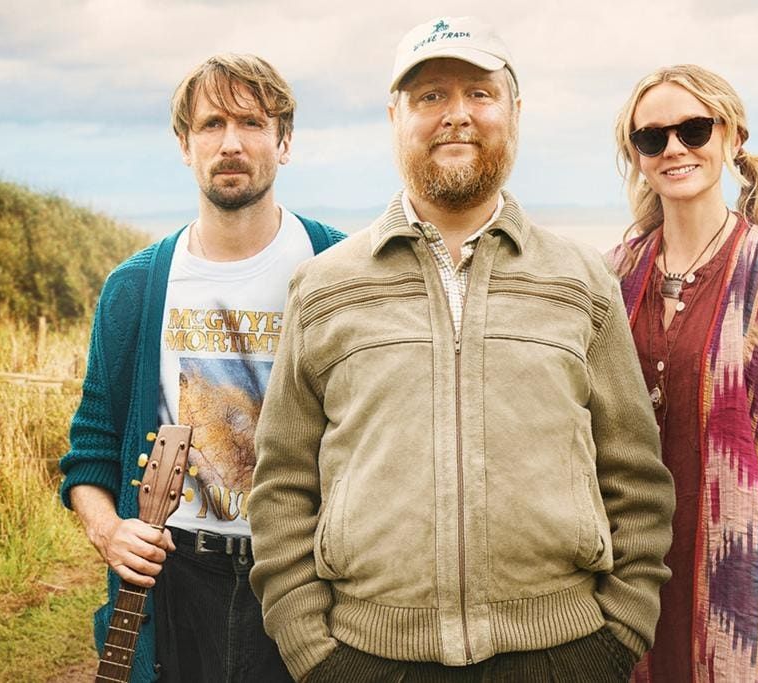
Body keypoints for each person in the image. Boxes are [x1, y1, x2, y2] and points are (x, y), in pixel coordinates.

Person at [248, 16, 675, 683]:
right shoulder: (324, 286)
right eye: (430, 96)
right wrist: (311, 649)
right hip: (368, 658)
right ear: (394, 116)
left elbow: (634, 476)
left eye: (479, 93)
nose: (456, 114)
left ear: (514, 111)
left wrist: (619, 631)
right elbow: (281, 484)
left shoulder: (581, 281)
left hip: (563, 654)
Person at [58, 53, 346, 682]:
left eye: (252, 123)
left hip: (302, 580)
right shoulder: (135, 288)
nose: (231, 143)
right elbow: (91, 450)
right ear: (185, 145)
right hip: (175, 582)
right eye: (212, 124)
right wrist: (108, 531)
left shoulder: (340, 268)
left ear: (285, 141)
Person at [606, 64, 758, 682]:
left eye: (693, 129)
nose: (674, 148)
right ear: (636, 155)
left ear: (732, 136)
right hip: (625, 578)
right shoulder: (611, 279)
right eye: (651, 137)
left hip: (745, 580)